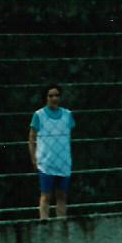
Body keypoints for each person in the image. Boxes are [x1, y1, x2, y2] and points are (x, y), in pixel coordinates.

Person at [28, 84, 76, 219]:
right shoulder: (39, 115)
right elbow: (31, 138)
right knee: (46, 195)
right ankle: (44, 223)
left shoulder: (67, 115)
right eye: (51, 96)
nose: (54, 98)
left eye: (56, 95)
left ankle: (61, 223)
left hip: (63, 162)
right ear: (46, 97)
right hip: (46, 162)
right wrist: (33, 158)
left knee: (62, 196)